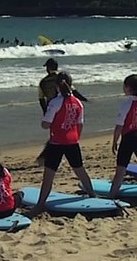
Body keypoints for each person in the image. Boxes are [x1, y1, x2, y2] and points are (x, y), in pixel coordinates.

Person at [29, 73, 96, 217]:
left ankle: (40, 204)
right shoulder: (78, 103)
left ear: (57, 86)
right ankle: (92, 194)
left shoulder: (54, 102)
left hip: (56, 142)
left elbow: (45, 125)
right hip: (73, 141)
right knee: (80, 170)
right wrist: (74, 137)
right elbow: (80, 125)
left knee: (49, 175)